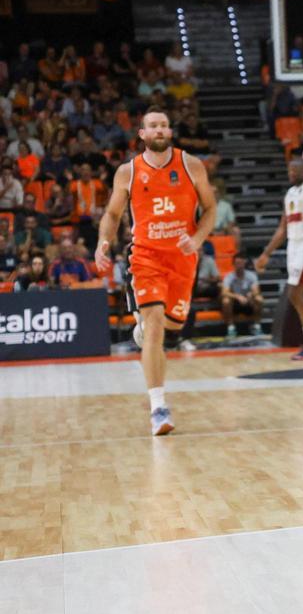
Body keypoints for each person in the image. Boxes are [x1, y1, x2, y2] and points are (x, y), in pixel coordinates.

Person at [95, 107, 218, 435]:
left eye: (164, 125)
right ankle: (159, 408)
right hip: (145, 257)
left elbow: (210, 209)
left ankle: (146, 332)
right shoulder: (128, 172)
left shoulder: (191, 165)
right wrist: (103, 242)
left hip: (182, 260)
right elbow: (111, 214)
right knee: (153, 328)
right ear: (143, 134)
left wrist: (197, 238)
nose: (160, 130)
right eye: (153, 126)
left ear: (170, 131)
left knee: (169, 326)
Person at [255, 159, 303, 360]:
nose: (292, 172)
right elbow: (282, 229)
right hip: (294, 246)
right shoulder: (289, 194)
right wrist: (266, 253)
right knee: (302, 293)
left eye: (296, 169)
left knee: (294, 293)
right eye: (289, 169)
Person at [222, 254, 264, 337]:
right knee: (226, 301)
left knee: (259, 299)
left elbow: (256, 290)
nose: (239, 265)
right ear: (233, 264)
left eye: (241, 263)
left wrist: (251, 294)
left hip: (249, 301)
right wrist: (238, 296)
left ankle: (257, 326)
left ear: (245, 264)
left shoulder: (251, 275)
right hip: (235, 303)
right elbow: (224, 292)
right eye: (237, 263)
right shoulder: (229, 276)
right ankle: (231, 328)